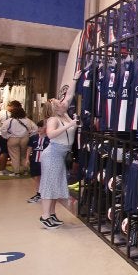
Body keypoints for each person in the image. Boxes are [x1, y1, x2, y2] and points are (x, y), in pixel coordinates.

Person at [39, 98, 77, 229]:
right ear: (54, 107)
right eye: (58, 103)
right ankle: (45, 216)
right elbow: (50, 134)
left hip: (61, 154)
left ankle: (51, 214)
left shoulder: (64, 116)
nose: (62, 103)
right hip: (53, 155)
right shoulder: (53, 119)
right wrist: (69, 125)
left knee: (55, 185)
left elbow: (69, 96)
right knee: (49, 185)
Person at [0, 102, 37, 176]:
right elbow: (35, 129)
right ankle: (25, 170)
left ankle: (16, 172)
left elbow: (3, 130)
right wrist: (29, 135)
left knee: (14, 156)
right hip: (25, 139)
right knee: (24, 155)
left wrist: (7, 136)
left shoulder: (10, 120)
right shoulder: (28, 120)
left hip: (13, 139)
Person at [25, 120, 49, 203]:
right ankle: (39, 194)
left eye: (41, 127)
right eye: (38, 127)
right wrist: (27, 159)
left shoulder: (50, 138)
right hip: (35, 161)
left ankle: (45, 193)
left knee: (44, 177)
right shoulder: (33, 138)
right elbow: (29, 148)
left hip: (45, 161)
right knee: (37, 177)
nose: (39, 129)